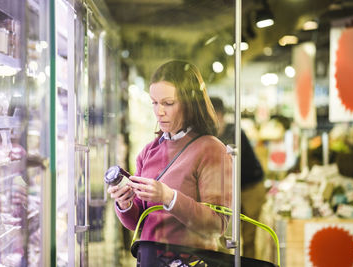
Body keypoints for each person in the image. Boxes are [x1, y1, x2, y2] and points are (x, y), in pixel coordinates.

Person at [108, 60, 233, 256]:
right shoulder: (149, 151)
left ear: (190, 103)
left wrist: (168, 197)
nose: (159, 112)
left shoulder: (212, 150)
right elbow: (138, 223)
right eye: (154, 103)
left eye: (168, 103)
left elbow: (217, 225)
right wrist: (125, 204)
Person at [210, 96, 266, 259]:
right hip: (226, 191)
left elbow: (232, 165)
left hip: (250, 188)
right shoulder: (207, 135)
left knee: (249, 237)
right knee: (221, 238)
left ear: (219, 114)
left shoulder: (235, 134)